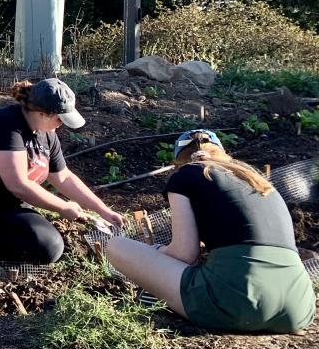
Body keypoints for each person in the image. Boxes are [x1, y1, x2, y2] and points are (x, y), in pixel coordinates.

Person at [0, 78, 125, 320]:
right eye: (59, 119)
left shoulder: (47, 135)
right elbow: (18, 185)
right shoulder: (6, 125)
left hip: (4, 211)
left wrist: (104, 210)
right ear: (44, 113)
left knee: (49, 246)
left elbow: (64, 177)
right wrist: (63, 207)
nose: (61, 125)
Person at [105, 130, 314, 333]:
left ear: (178, 163)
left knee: (116, 245)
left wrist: (156, 252)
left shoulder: (186, 176)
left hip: (235, 303)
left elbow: (184, 254)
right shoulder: (256, 180)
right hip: (298, 308)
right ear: (223, 155)